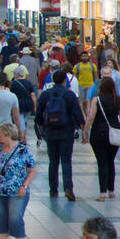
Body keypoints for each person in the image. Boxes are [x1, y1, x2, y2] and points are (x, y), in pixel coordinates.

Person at [35, 72, 83, 200]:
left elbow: (38, 114)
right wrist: (81, 128)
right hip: (66, 131)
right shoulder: (69, 95)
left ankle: (53, 190)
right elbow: (77, 113)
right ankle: (68, 188)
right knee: (66, 160)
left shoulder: (46, 94)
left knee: (53, 161)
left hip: (50, 131)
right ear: (64, 81)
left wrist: (42, 127)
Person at [83, 76, 120, 202]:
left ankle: (102, 192)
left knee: (102, 162)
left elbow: (91, 117)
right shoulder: (117, 100)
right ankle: (111, 190)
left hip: (99, 133)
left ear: (101, 87)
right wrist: (119, 124)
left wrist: (85, 130)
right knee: (111, 161)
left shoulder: (96, 100)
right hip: (114, 133)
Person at [9, 65, 36, 141]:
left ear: (17, 74)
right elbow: (33, 95)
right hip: (28, 104)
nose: (14, 75)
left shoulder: (14, 83)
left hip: (18, 105)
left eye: (14, 73)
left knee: (21, 122)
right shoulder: (28, 83)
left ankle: (22, 138)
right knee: (25, 121)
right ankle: (23, 136)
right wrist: (34, 106)